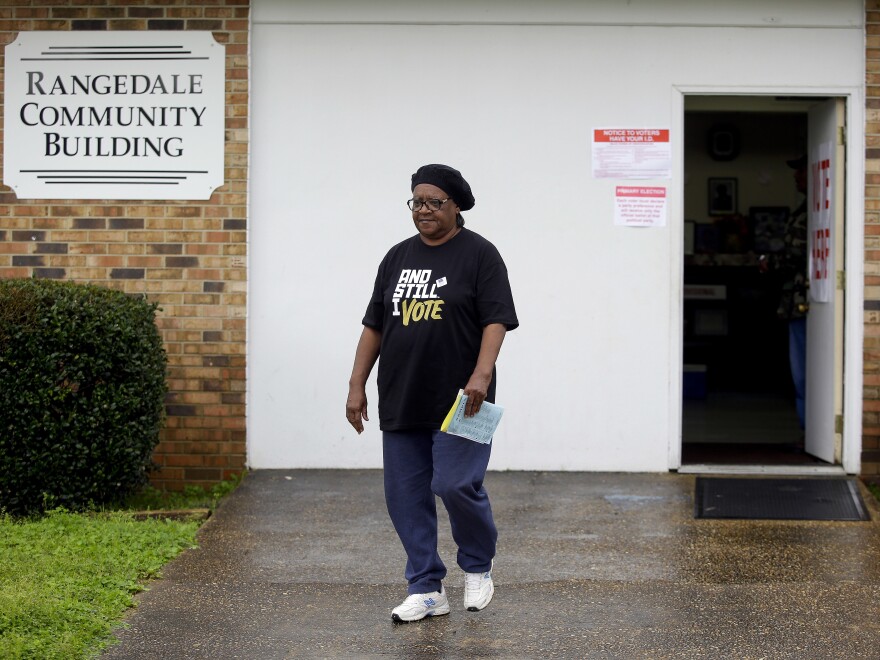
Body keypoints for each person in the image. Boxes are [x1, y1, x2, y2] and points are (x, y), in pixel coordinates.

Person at [346, 164, 518, 623]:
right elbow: (374, 325)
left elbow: (496, 319)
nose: (424, 210)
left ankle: (478, 565)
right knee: (404, 494)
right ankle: (426, 587)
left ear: (455, 205)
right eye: (417, 202)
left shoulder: (480, 255)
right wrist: (356, 383)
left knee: (455, 483)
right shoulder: (396, 257)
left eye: (434, 202)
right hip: (402, 393)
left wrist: (482, 374)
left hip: (465, 398)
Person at [761, 155, 808, 429]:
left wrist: (770, 263)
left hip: (805, 300)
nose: (795, 176)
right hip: (798, 301)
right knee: (801, 371)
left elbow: (797, 253)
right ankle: (809, 433)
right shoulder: (807, 207)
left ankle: (811, 435)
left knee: (803, 372)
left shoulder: (813, 209)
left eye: (800, 170)